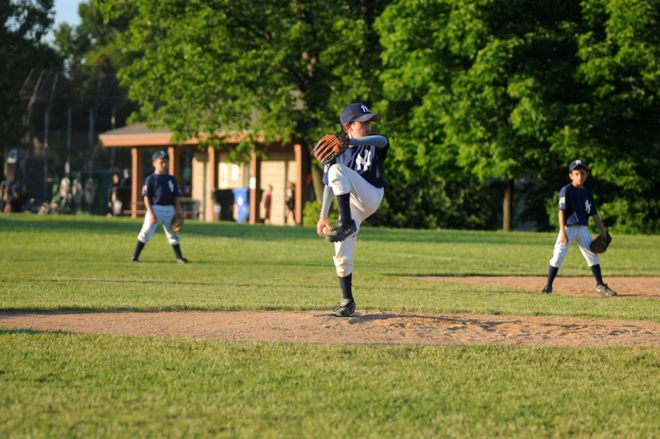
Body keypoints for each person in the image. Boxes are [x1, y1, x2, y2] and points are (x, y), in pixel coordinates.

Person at [316, 103, 389, 317]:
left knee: (338, 170)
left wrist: (353, 142)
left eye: (370, 122)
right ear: (348, 125)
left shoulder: (372, 143)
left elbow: (382, 141)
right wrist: (322, 217)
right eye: (364, 122)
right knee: (340, 252)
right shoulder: (336, 154)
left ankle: (346, 223)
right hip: (352, 206)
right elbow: (330, 184)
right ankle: (347, 301)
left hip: (371, 195)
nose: (369, 126)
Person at [541, 159, 616, 297]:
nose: (579, 176)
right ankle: (548, 286)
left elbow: (594, 215)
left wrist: (603, 232)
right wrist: (563, 232)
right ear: (571, 175)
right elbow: (561, 212)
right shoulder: (566, 190)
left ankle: (600, 285)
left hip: (583, 229)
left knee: (592, 255)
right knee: (558, 255)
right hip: (568, 228)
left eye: (582, 173)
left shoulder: (587, 194)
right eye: (576, 173)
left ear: (587, 174)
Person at [131, 150, 189, 263]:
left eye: (166, 162)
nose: (164, 164)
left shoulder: (171, 179)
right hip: (155, 208)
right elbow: (146, 197)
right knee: (146, 231)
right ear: (154, 163)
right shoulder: (150, 179)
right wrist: (151, 213)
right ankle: (135, 256)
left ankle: (179, 257)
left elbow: (176, 196)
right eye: (161, 162)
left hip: (169, 208)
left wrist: (178, 210)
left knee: (173, 233)